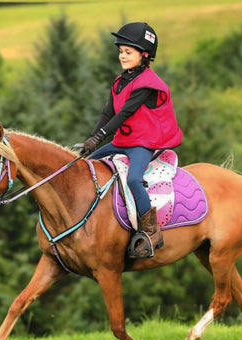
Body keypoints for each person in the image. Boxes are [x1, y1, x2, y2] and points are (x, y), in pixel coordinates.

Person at [81, 22, 183, 257]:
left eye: (128, 52)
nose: (122, 56)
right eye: (120, 51)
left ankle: (151, 230)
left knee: (135, 179)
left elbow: (125, 112)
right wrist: (91, 141)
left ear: (144, 55)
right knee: (86, 166)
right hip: (122, 141)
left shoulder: (147, 84)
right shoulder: (119, 82)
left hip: (143, 143)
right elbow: (107, 113)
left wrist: (99, 136)